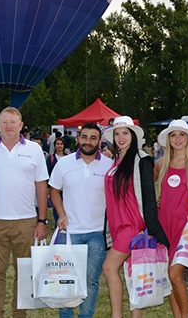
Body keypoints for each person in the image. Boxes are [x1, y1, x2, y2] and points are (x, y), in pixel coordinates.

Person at [0, 107, 48, 318]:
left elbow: (41, 186)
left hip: (26, 221)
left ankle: (20, 314)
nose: (8, 126)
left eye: (13, 122)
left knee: (24, 273)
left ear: (21, 125)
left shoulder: (35, 150)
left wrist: (42, 220)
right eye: (4, 122)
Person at [101, 116, 169, 318]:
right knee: (133, 272)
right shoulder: (115, 161)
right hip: (117, 224)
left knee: (109, 267)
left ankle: (116, 315)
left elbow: (148, 195)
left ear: (133, 136)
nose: (121, 137)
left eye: (125, 133)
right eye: (117, 133)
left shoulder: (142, 160)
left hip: (133, 226)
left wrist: (149, 227)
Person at [49, 122, 111, 318]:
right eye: (84, 137)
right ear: (77, 138)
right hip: (70, 232)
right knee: (66, 279)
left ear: (99, 141)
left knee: (91, 281)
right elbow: (54, 191)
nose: (88, 141)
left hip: (97, 233)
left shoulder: (109, 166)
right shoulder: (64, 163)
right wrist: (61, 213)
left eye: (93, 138)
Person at [155, 120, 188, 318]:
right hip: (164, 225)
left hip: (186, 228)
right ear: (168, 139)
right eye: (173, 135)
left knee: (174, 274)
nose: (177, 139)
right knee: (168, 276)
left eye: (182, 135)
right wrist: (156, 197)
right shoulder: (160, 164)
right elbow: (145, 188)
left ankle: (185, 315)